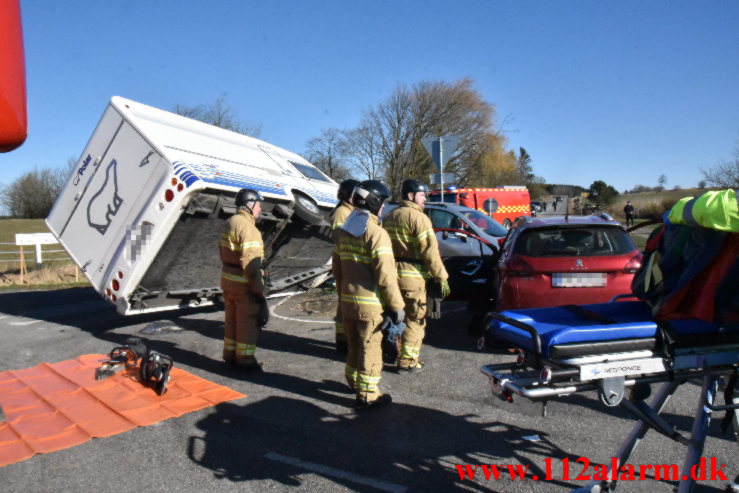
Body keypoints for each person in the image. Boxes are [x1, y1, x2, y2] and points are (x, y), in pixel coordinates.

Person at [333, 180, 405, 410]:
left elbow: (337, 268)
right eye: (382, 203)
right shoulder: (377, 233)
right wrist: (397, 306)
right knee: (370, 349)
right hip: (370, 305)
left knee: (354, 346)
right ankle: (368, 394)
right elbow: (386, 277)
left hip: (347, 302)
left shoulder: (344, 230)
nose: (383, 208)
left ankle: (353, 381)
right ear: (374, 203)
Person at [382, 179, 449, 373]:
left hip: (390, 275)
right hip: (412, 277)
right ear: (411, 195)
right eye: (423, 195)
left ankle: (389, 351)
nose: (425, 199)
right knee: (415, 319)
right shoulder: (420, 219)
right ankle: (408, 362)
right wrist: (441, 277)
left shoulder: (389, 216)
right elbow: (430, 253)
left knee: (394, 316)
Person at [219, 188, 266, 372]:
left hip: (228, 281)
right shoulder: (248, 228)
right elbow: (251, 264)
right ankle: (245, 361)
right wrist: (258, 289)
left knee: (231, 320)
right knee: (247, 323)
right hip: (243, 284)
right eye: (259, 205)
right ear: (250, 204)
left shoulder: (229, 222)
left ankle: (230, 356)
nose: (260, 209)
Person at [329, 179, 359, 353]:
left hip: (344, 262)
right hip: (344, 263)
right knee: (345, 303)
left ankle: (344, 338)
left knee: (345, 302)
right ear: (350, 196)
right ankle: (344, 340)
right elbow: (343, 240)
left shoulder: (348, 211)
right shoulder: (342, 212)